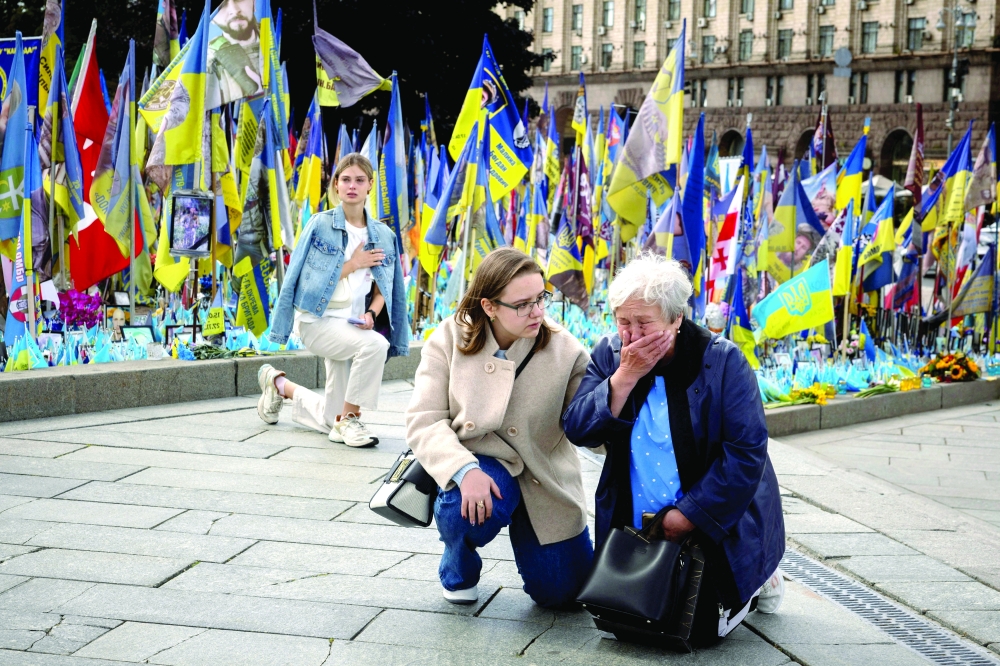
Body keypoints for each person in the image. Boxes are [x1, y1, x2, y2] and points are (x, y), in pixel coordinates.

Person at [562, 253, 785, 647]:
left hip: (709, 512)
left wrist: (689, 515)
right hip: (636, 516)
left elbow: (746, 452)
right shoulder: (611, 354)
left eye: (645, 322)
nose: (632, 334)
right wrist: (625, 376)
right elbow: (578, 427)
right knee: (630, 618)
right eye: (623, 321)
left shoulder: (723, 361)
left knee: (698, 628)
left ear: (676, 319)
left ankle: (758, 574)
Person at [406, 248, 594, 607]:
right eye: (523, 304)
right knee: (465, 506)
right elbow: (424, 419)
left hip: (544, 474)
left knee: (563, 595)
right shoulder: (448, 338)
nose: (537, 311)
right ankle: (457, 565)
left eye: (541, 298)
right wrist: (463, 470)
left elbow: (590, 426)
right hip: (481, 465)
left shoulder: (565, 349)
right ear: (489, 306)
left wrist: (624, 391)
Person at [259, 153, 409, 447]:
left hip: (352, 324)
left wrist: (371, 315)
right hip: (317, 321)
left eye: (359, 180)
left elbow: (384, 289)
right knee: (376, 344)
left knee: (331, 419)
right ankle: (351, 420)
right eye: (345, 179)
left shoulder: (384, 235)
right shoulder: (320, 225)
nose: (352, 186)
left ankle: (277, 384)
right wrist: (353, 263)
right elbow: (297, 278)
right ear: (336, 186)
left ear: (369, 186)